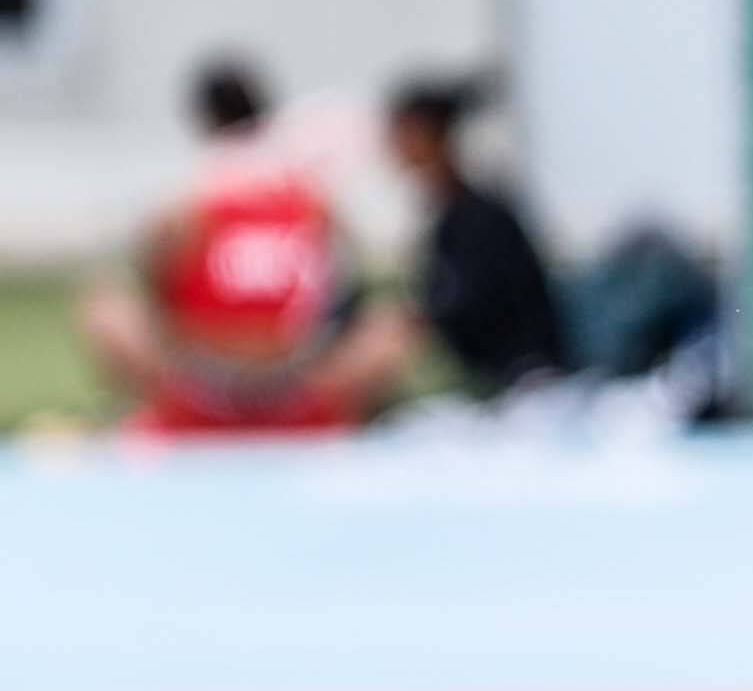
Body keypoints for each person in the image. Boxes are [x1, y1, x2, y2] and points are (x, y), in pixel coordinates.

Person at [77, 56, 417, 433]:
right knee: (392, 319)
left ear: (205, 120)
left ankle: (154, 411)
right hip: (301, 389)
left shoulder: (195, 192)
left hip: (200, 394)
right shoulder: (309, 193)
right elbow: (349, 279)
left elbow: (151, 271)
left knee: (105, 302)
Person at [386, 73, 571, 399]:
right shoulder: (443, 214)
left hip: (502, 373)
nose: (396, 146)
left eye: (404, 133)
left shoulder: (481, 217)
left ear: (435, 136)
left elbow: (471, 311)